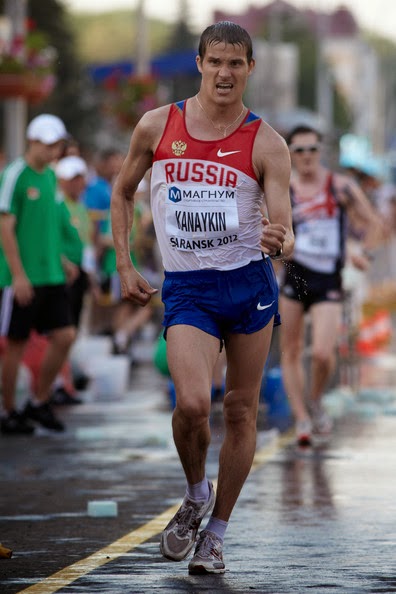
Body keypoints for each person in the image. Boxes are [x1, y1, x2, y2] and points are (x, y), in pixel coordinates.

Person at [111, 22, 294, 574]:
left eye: (235, 64)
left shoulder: (267, 142)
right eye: (215, 61)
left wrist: (279, 239)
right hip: (188, 286)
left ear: (250, 69)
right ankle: (195, 494)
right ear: (199, 63)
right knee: (192, 404)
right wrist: (124, 261)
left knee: (240, 408)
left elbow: (285, 231)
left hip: (248, 287)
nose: (224, 72)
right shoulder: (157, 126)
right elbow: (122, 192)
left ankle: (216, 533)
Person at [279, 124, 383, 447]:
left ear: (320, 151)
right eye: (299, 150)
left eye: (312, 149)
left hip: (328, 276)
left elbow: (374, 223)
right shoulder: (284, 189)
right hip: (295, 272)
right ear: (290, 154)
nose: (307, 156)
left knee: (323, 353)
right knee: (292, 349)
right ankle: (302, 418)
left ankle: (314, 398)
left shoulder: (340, 186)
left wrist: (361, 252)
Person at [0, 114, 77, 435]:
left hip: (51, 275)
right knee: (15, 343)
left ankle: (39, 399)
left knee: (65, 336)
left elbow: (42, 227)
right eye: (49, 145)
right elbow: (5, 227)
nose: (54, 151)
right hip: (22, 278)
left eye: (57, 145)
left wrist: (63, 260)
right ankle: (8, 411)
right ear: (33, 141)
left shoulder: (49, 177)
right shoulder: (15, 174)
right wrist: (18, 275)